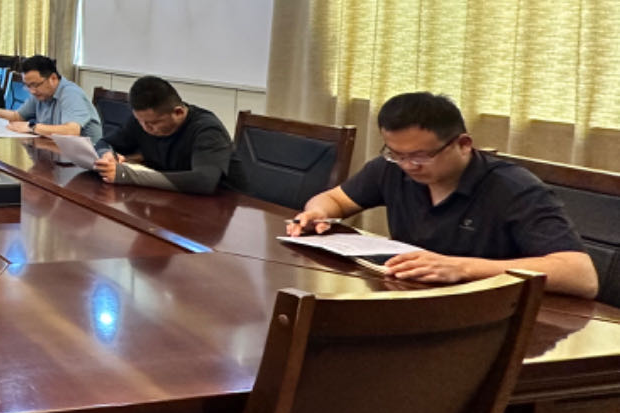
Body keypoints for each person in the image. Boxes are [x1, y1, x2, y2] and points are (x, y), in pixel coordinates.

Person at [287, 92, 598, 297]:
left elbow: (581, 276)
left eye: (421, 155)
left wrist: (462, 268)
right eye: (396, 153)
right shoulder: (390, 169)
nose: (408, 165)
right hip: (416, 300)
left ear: (463, 144)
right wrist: (318, 212)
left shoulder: (513, 188)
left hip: (492, 313)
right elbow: (334, 200)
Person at [94, 75, 244, 194]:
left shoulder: (207, 130)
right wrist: (107, 155)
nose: (146, 128)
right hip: (172, 198)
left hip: (224, 205)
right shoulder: (142, 122)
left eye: (154, 123)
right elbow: (104, 143)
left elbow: (204, 181)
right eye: (140, 121)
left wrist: (126, 175)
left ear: (178, 112)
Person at [0, 56, 102, 143]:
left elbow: (71, 131)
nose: (32, 91)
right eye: (27, 86)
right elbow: (17, 116)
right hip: (55, 151)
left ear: (53, 78)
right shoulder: (40, 94)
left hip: (87, 162)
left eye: (35, 85)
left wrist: (32, 127)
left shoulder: (71, 93)